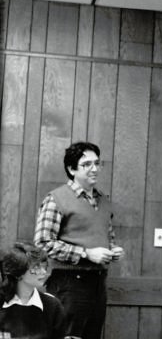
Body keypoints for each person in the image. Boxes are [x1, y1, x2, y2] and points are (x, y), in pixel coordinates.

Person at [34, 141, 124, 339]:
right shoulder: (56, 198)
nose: (95, 169)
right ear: (71, 169)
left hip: (98, 284)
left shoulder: (104, 201)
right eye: (87, 164)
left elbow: (107, 238)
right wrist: (86, 254)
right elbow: (42, 243)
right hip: (68, 284)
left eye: (97, 163)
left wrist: (113, 250)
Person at [0, 242, 67, 339]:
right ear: (18, 273)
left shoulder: (53, 306)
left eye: (43, 266)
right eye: (36, 267)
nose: (43, 272)